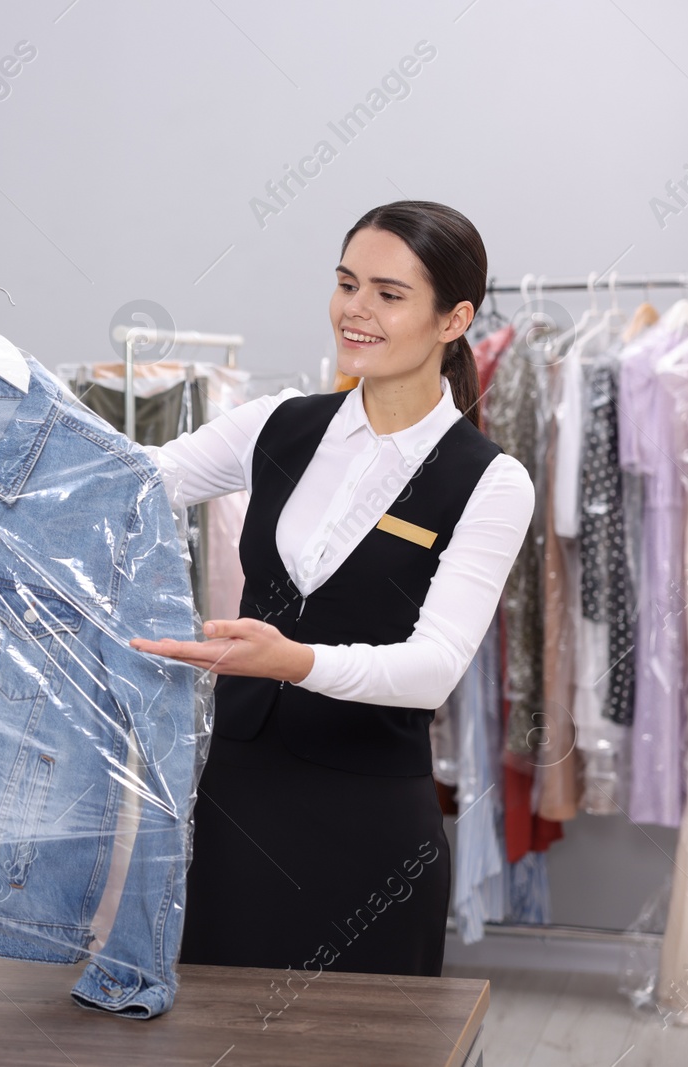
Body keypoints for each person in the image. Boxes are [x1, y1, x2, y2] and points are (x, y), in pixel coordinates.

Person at [130, 201, 534, 976]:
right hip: (237, 803)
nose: (355, 310)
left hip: (370, 825)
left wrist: (296, 660)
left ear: (454, 320)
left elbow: (435, 667)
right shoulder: (278, 424)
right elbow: (131, 477)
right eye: (347, 284)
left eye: (388, 293)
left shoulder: (489, 479)